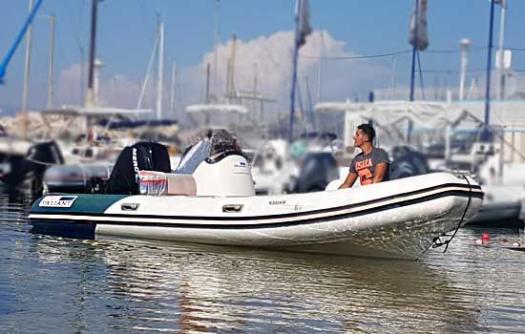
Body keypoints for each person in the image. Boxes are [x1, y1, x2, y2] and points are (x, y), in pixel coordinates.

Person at [339, 123, 390, 189]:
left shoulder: (380, 154)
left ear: (366, 138)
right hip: (364, 195)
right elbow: (347, 184)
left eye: (357, 135)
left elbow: (377, 179)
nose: (354, 137)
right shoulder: (356, 159)